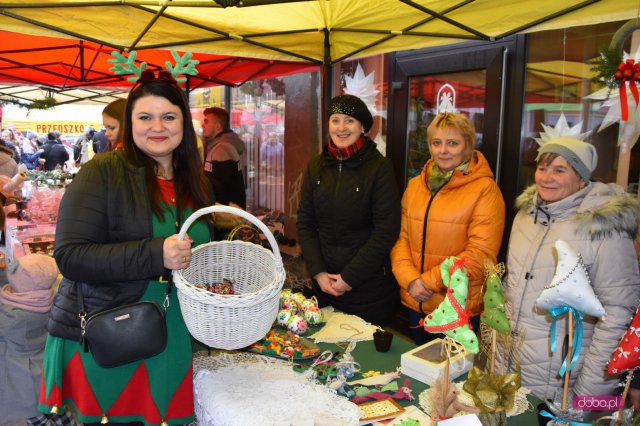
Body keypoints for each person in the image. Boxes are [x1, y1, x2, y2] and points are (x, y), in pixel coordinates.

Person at [38, 69, 214, 425]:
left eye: (168, 116)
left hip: (173, 332)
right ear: (130, 122)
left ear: (184, 122)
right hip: (113, 330)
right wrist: (156, 254)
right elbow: (70, 257)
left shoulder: (192, 180)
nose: (157, 127)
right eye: (145, 117)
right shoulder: (102, 172)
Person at [504, 136, 640, 401]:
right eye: (542, 168)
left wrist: (588, 396)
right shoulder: (524, 217)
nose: (546, 178)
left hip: (562, 382)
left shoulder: (604, 228)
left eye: (560, 170)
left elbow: (618, 314)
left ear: (582, 179)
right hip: (511, 371)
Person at [390, 112, 505, 344]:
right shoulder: (415, 186)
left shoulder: (485, 190)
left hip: (457, 307)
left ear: (468, 146)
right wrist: (411, 280)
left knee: (452, 378)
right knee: (423, 373)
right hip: (417, 302)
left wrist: (427, 282)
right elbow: (400, 238)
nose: (443, 150)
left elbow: (480, 254)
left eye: (452, 143)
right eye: (436, 142)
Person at [296, 94, 401, 326]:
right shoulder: (316, 165)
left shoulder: (380, 168)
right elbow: (305, 222)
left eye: (349, 121)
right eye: (335, 120)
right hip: (323, 286)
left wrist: (349, 277)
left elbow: (386, 230)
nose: (341, 128)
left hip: (368, 290)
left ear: (363, 127)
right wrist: (318, 272)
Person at [202, 107, 246, 209]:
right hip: (226, 210)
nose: (203, 125)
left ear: (217, 126)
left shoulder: (222, 148)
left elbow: (220, 187)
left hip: (226, 214)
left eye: (206, 122)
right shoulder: (218, 145)